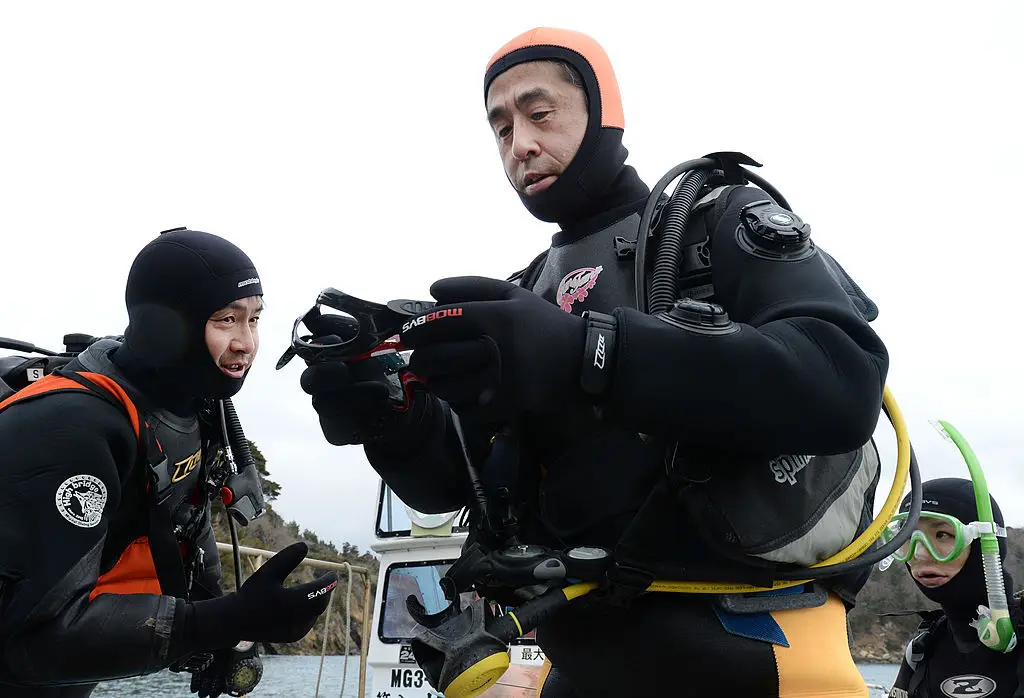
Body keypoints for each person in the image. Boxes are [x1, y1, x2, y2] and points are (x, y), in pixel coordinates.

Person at [300, 27, 890, 697]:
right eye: (501, 129)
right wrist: (393, 421)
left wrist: (591, 353)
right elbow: (462, 486)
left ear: (605, 112)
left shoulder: (714, 222)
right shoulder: (531, 290)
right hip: (584, 668)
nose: (520, 145)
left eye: (539, 112)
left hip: (765, 659)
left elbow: (843, 382)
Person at [0, 228, 338, 698]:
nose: (246, 343)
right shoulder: (73, 428)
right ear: (166, 326)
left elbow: (187, 526)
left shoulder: (193, 409)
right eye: (227, 320)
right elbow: (25, 637)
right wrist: (215, 622)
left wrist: (222, 630)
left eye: (255, 319)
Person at [885, 478, 1021, 698]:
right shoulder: (922, 650)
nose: (920, 553)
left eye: (942, 535)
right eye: (908, 536)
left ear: (985, 544)